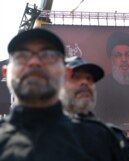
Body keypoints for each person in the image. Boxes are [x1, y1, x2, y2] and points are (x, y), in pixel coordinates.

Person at [0, 29, 93, 161]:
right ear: (5, 72)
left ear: (66, 73)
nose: (34, 62)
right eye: (22, 56)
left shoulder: (103, 142)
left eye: (48, 55)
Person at [59, 56, 129, 161]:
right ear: (58, 86)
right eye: (75, 77)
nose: (85, 82)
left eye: (89, 78)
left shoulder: (112, 136)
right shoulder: (46, 132)